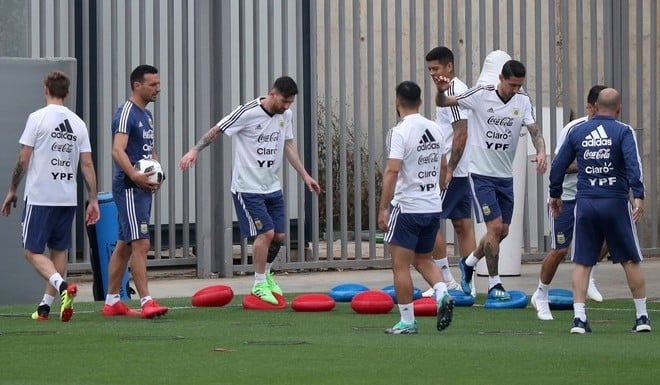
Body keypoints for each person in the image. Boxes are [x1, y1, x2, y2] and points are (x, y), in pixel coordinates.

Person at [179, 76, 321, 305]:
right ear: (272, 94)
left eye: (290, 102)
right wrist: (194, 151)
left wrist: (305, 176)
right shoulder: (247, 112)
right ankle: (258, 284)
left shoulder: (286, 115)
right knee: (265, 233)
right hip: (247, 187)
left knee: (280, 237)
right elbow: (217, 129)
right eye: (284, 101)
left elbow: (288, 145)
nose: (286, 106)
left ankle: (266, 276)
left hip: (272, 186)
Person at [434, 60, 548, 301]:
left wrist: (541, 151)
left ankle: (469, 262)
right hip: (481, 173)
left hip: (505, 175)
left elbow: (535, 131)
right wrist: (441, 91)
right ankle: (495, 285)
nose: (515, 89)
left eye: (519, 85)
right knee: (494, 228)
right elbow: (444, 103)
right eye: (512, 84)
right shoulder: (481, 95)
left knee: (502, 231)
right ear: (500, 78)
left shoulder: (523, 101)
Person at [549, 88, 650, 334]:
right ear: (619, 108)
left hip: (586, 203)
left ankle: (579, 319)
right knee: (630, 259)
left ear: (594, 106)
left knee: (583, 262)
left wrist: (555, 194)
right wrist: (638, 196)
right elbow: (632, 165)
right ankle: (642, 317)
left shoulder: (577, 132)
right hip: (615, 201)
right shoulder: (624, 131)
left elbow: (558, 165)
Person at [1, 70, 100, 322]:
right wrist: (93, 199)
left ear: (46, 90)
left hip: (40, 197)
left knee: (31, 251)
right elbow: (87, 164)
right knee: (59, 249)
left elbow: (23, 159)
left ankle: (63, 286)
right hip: (67, 198)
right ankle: (45, 307)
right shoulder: (78, 123)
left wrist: (12, 189)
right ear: (66, 93)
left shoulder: (37, 118)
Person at [378, 81, 454, 334]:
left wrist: (383, 208)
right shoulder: (435, 128)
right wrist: (437, 189)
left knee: (400, 265)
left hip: (407, 206)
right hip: (432, 206)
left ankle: (408, 321)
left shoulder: (399, 132)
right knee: (424, 258)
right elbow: (444, 167)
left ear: (397, 102)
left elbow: (392, 170)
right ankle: (442, 292)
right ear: (421, 102)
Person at [531, 85, 608, 321]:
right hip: (566, 196)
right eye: (602, 106)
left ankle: (590, 277)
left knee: (607, 238)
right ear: (591, 106)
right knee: (560, 250)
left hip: (593, 196)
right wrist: (588, 165)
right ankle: (540, 294)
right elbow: (560, 165)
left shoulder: (613, 129)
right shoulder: (574, 129)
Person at [102, 65, 168, 319]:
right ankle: (147, 300)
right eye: (152, 84)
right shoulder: (126, 113)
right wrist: (135, 176)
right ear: (137, 85)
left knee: (125, 245)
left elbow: (148, 149)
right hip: (129, 187)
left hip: (141, 187)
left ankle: (111, 301)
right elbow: (117, 150)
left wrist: (157, 173)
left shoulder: (146, 115)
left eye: (158, 84)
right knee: (141, 243)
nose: (158, 89)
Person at [421, 46, 475, 298]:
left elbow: (461, 132)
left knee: (428, 221)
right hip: (462, 169)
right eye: (430, 69)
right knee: (463, 224)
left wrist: (449, 169)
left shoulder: (454, 90)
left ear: (449, 66)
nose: (432, 73)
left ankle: (444, 280)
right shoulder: (455, 89)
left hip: (450, 170)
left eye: (436, 68)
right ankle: (469, 284)